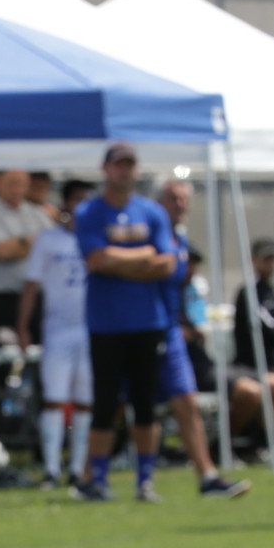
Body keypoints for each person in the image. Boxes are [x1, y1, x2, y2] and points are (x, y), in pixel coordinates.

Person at [74, 144, 245, 504]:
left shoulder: (150, 214)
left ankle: (152, 480)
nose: (124, 172)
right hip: (107, 324)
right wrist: (142, 257)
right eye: (118, 165)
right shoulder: (91, 211)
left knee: (151, 402)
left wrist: (119, 261)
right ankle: (94, 477)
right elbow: (97, 259)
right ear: (106, 168)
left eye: (130, 165)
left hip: (152, 324)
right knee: (108, 403)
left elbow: (166, 264)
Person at [156, 180, 251, 499]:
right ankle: (89, 476)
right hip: (141, 327)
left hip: (170, 332)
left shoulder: (180, 239)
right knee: (128, 405)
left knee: (185, 400)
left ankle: (206, 474)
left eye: (184, 200)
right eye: (173, 198)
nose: (180, 205)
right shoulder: (147, 230)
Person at [19, 179, 95, 490]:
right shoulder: (48, 240)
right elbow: (30, 285)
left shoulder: (96, 238)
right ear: (64, 204)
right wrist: (23, 326)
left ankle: (77, 468)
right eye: (76, 200)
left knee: (85, 402)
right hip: (57, 331)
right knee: (54, 400)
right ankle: (51, 468)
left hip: (91, 331)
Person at [0, 169, 51, 342]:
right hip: (2, 299)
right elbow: (2, 251)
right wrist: (35, 243)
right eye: (11, 183)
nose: (16, 189)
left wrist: (21, 244)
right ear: (0, 184)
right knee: (0, 359)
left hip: (35, 299)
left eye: (21, 184)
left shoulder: (36, 213)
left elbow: (51, 246)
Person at [231, 237, 274, 445]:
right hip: (251, 365)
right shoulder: (249, 293)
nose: (271, 264)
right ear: (254, 261)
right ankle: (262, 443)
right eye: (266, 259)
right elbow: (272, 329)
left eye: (273, 259)